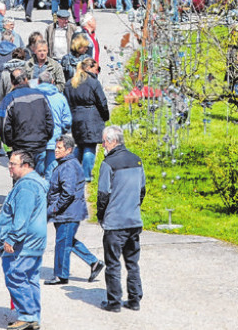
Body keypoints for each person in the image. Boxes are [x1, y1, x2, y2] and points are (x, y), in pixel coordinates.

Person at [0, 150, 48, 330]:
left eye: (12, 164)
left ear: (25, 166)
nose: (9, 167)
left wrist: (11, 238)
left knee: (15, 276)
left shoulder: (26, 187)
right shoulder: (34, 183)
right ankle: (33, 317)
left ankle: (27, 316)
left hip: (23, 244)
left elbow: (21, 217)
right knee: (30, 279)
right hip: (34, 242)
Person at [96, 125, 145, 312]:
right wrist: (133, 207)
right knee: (132, 263)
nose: (101, 145)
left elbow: (102, 196)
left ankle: (114, 302)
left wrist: (102, 216)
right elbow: (142, 191)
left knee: (113, 264)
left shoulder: (108, 164)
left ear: (111, 141)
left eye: (103, 141)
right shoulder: (137, 160)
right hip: (134, 221)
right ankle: (134, 300)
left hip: (115, 224)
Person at [45, 134, 103, 286]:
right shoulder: (66, 163)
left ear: (69, 150)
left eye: (59, 148)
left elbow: (68, 192)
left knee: (62, 243)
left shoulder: (68, 166)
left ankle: (61, 275)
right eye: (56, 147)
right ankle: (94, 262)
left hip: (67, 213)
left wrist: (55, 208)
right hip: (69, 211)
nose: (56, 150)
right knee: (67, 241)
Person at [1, 68, 55, 176]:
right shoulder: (41, 95)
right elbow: (50, 120)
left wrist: (10, 143)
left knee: (21, 179)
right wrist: (46, 137)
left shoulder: (8, 99)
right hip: (40, 145)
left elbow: (4, 126)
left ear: (12, 82)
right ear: (27, 79)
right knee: (38, 179)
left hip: (20, 147)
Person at [66, 57, 109, 182]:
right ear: (89, 68)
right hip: (91, 118)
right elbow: (102, 101)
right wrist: (105, 116)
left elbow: (67, 101)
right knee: (89, 146)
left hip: (76, 117)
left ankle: (71, 170)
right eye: (97, 69)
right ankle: (86, 175)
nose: (98, 72)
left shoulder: (70, 83)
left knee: (79, 145)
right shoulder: (93, 83)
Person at [36, 71, 72, 176]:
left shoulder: (32, 96)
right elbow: (67, 121)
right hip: (54, 139)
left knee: (36, 173)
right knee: (51, 173)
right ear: (53, 81)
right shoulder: (60, 98)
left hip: (37, 140)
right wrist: (61, 131)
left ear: (38, 82)